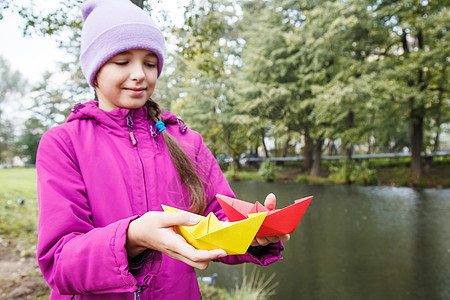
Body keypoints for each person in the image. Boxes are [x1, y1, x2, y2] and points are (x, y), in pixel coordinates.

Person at [36, 0, 289, 299]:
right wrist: (132, 238)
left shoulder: (188, 141)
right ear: (94, 69)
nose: (140, 74)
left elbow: (215, 222)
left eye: (150, 62)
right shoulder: (63, 144)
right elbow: (61, 263)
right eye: (122, 61)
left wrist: (251, 232)